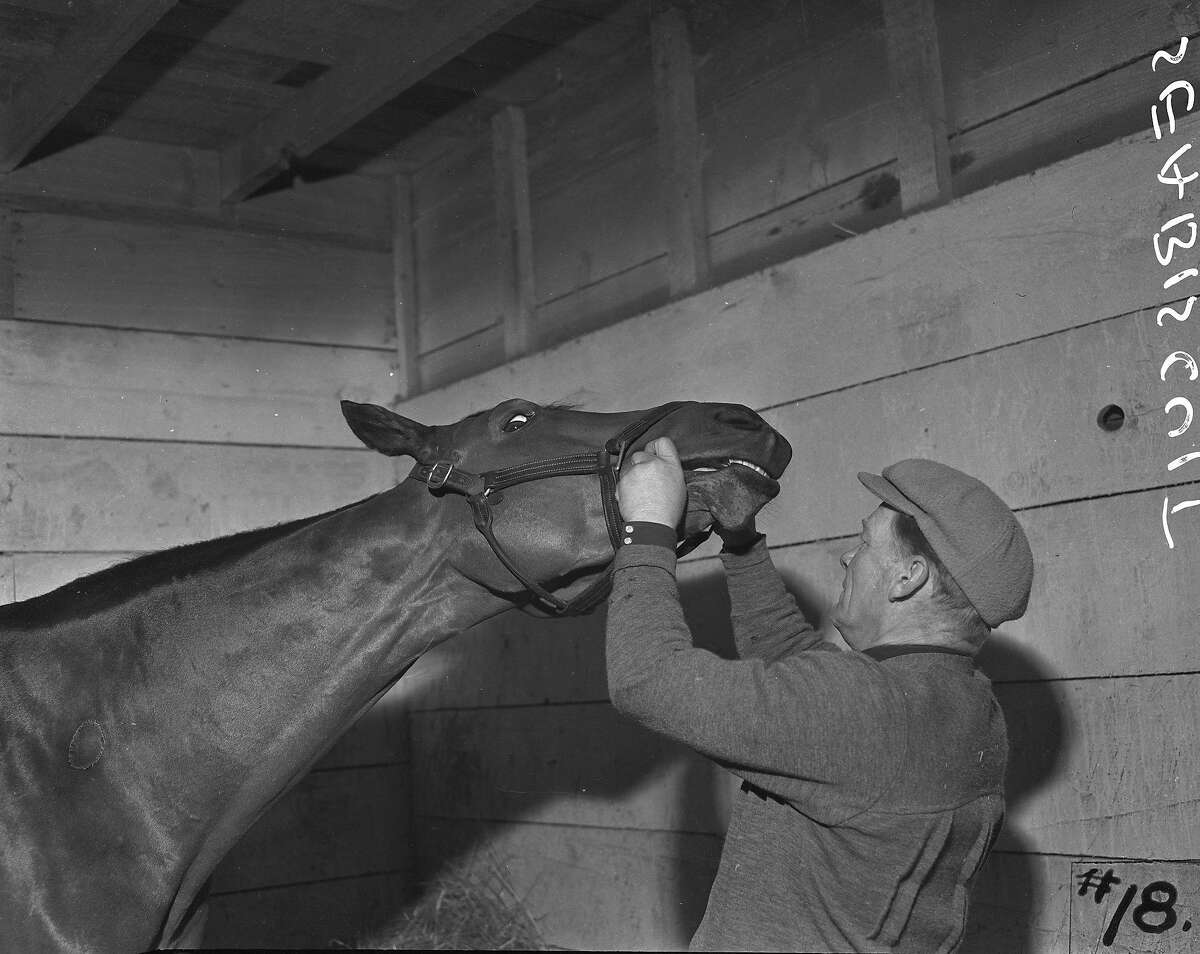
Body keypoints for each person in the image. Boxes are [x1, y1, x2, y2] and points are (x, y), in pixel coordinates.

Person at [606, 439, 1034, 953]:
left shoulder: (866, 709)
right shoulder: (966, 706)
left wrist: (648, 527)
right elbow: (805, 688)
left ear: (907, 577)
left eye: (866, 544)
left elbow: (647, 679)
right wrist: (741, 544)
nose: (847, 557)